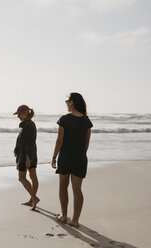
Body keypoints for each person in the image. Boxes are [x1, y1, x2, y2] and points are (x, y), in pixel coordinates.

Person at [51, 93, 93, 228]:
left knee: (63, 187)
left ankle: (64, 216)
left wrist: (53, 157)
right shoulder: (87, 121)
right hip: (80, 157)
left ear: (72, 102)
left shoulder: (64, 119)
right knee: (77, 189)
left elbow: (59, 141)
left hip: (65, 157)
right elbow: (87, 143)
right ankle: (75, 220)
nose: (66, 103)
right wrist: (80, 155)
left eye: (67, 101)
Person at [13, 104, 40, 210]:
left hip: (25, 155)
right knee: (33, 177)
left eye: (19, 114)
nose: (18, 116)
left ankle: (34, 198)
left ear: (24, 113)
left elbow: (29, 143)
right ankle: (31, 200)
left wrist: (27, 158)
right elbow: (30, 142)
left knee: (22, 178)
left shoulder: (27, 125)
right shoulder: (30, 124)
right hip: (32, 153)